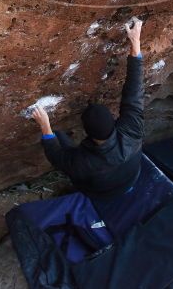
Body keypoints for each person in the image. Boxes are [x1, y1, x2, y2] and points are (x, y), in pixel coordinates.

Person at [30, 17, 145, 200]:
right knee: (57, 138)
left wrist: (45, 126)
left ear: (87, 134)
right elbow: (134, 92)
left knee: (57, 136)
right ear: (115, 123)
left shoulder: (82, 163)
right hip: (130, 178)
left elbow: (56, 157)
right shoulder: (132, 131)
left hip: (101, 193)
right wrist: (136, 44)